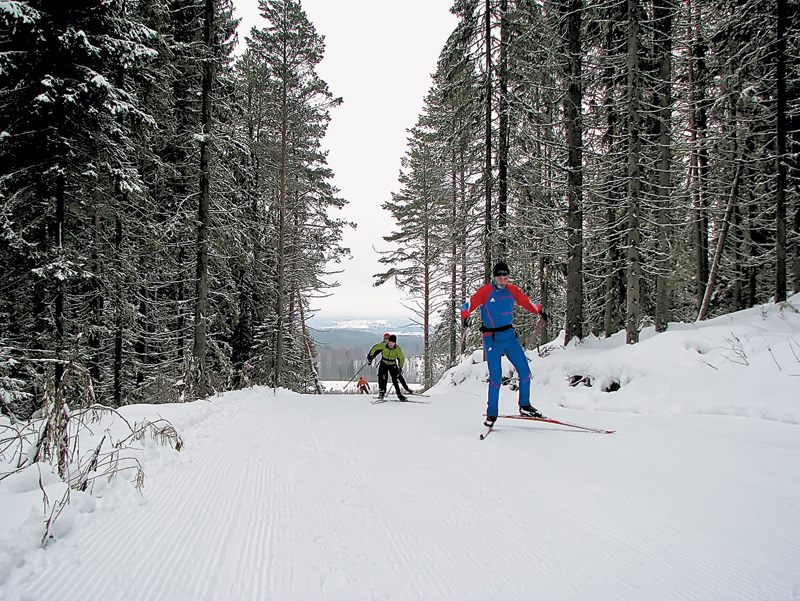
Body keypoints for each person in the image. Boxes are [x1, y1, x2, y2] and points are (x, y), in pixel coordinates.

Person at [461, 260, 548, 427]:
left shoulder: (511, 290)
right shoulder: (486, 291)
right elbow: (467, 305)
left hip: (509, 336)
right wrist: (465, 317)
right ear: (494, 277)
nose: (502, 279)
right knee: (495, 378)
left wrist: (540, 310)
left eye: (505, 276)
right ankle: (491, 413)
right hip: (492, 338)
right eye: (499, 276)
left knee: (525, 371)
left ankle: (525, 405)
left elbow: (525, 301)